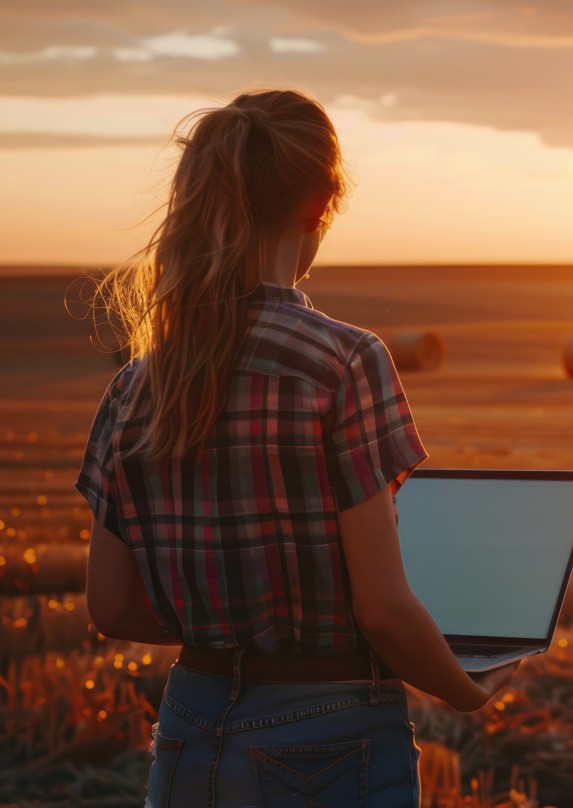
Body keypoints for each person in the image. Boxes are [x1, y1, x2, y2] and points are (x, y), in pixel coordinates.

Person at [74, 89, 516, 808]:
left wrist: (229, 624)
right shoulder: (343, 361)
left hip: (189, 720)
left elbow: (113, 608)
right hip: (329, 734)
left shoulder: (135, 384)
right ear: (320, 207)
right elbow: (380, 608)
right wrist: (463, 689)